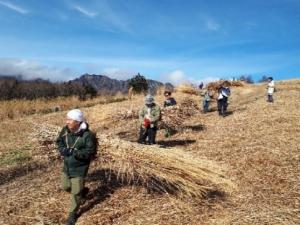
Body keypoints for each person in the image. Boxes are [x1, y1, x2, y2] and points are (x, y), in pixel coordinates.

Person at [56, 109, 97, 225]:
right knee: (65, 186)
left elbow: (90, 152)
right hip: (67, 166)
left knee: (76, 192)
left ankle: (72, 214)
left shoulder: (88, 135)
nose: (67, 122)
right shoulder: (65, 130)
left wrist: (75, 152)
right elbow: (59, 141)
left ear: (78, 122)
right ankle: (83, 191)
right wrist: (62, 149)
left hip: (79, 168)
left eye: (70, 120)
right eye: (67, 119)